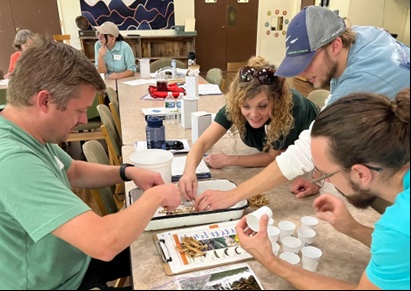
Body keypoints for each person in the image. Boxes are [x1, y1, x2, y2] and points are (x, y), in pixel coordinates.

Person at [0, 36, 181, 289]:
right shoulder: (12, 161)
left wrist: (127, 172)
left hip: (75, 260)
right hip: (59, 282)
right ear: (44, 101)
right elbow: (103, 243)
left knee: (163, 245)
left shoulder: (28, 131)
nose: (84, 119)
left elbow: (73, 170)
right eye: (78, 110)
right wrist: (158, 196)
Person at [193, 5, 410, 212]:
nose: (302, 72)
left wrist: (233, 195)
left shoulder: (364, 80)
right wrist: (318, 177)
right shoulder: (358, 39)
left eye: (307, 61)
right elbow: (331, 108)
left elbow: (311, 147)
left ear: (334, 45)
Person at [236, 89, 410, 290]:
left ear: (361, 174)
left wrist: (270, 260)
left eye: (325, 174)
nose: (321, 179)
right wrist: (352, 228)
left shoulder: (400, 224)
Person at [178, 56, 319, 199]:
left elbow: (273, 157)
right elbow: (202, 142)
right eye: (246, 106)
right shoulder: (236, 103)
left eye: (262, 106)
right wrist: (189, 171)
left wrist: (229, 160)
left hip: (313, 157)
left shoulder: (292, 107)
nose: (254, 114)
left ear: (276, 101)